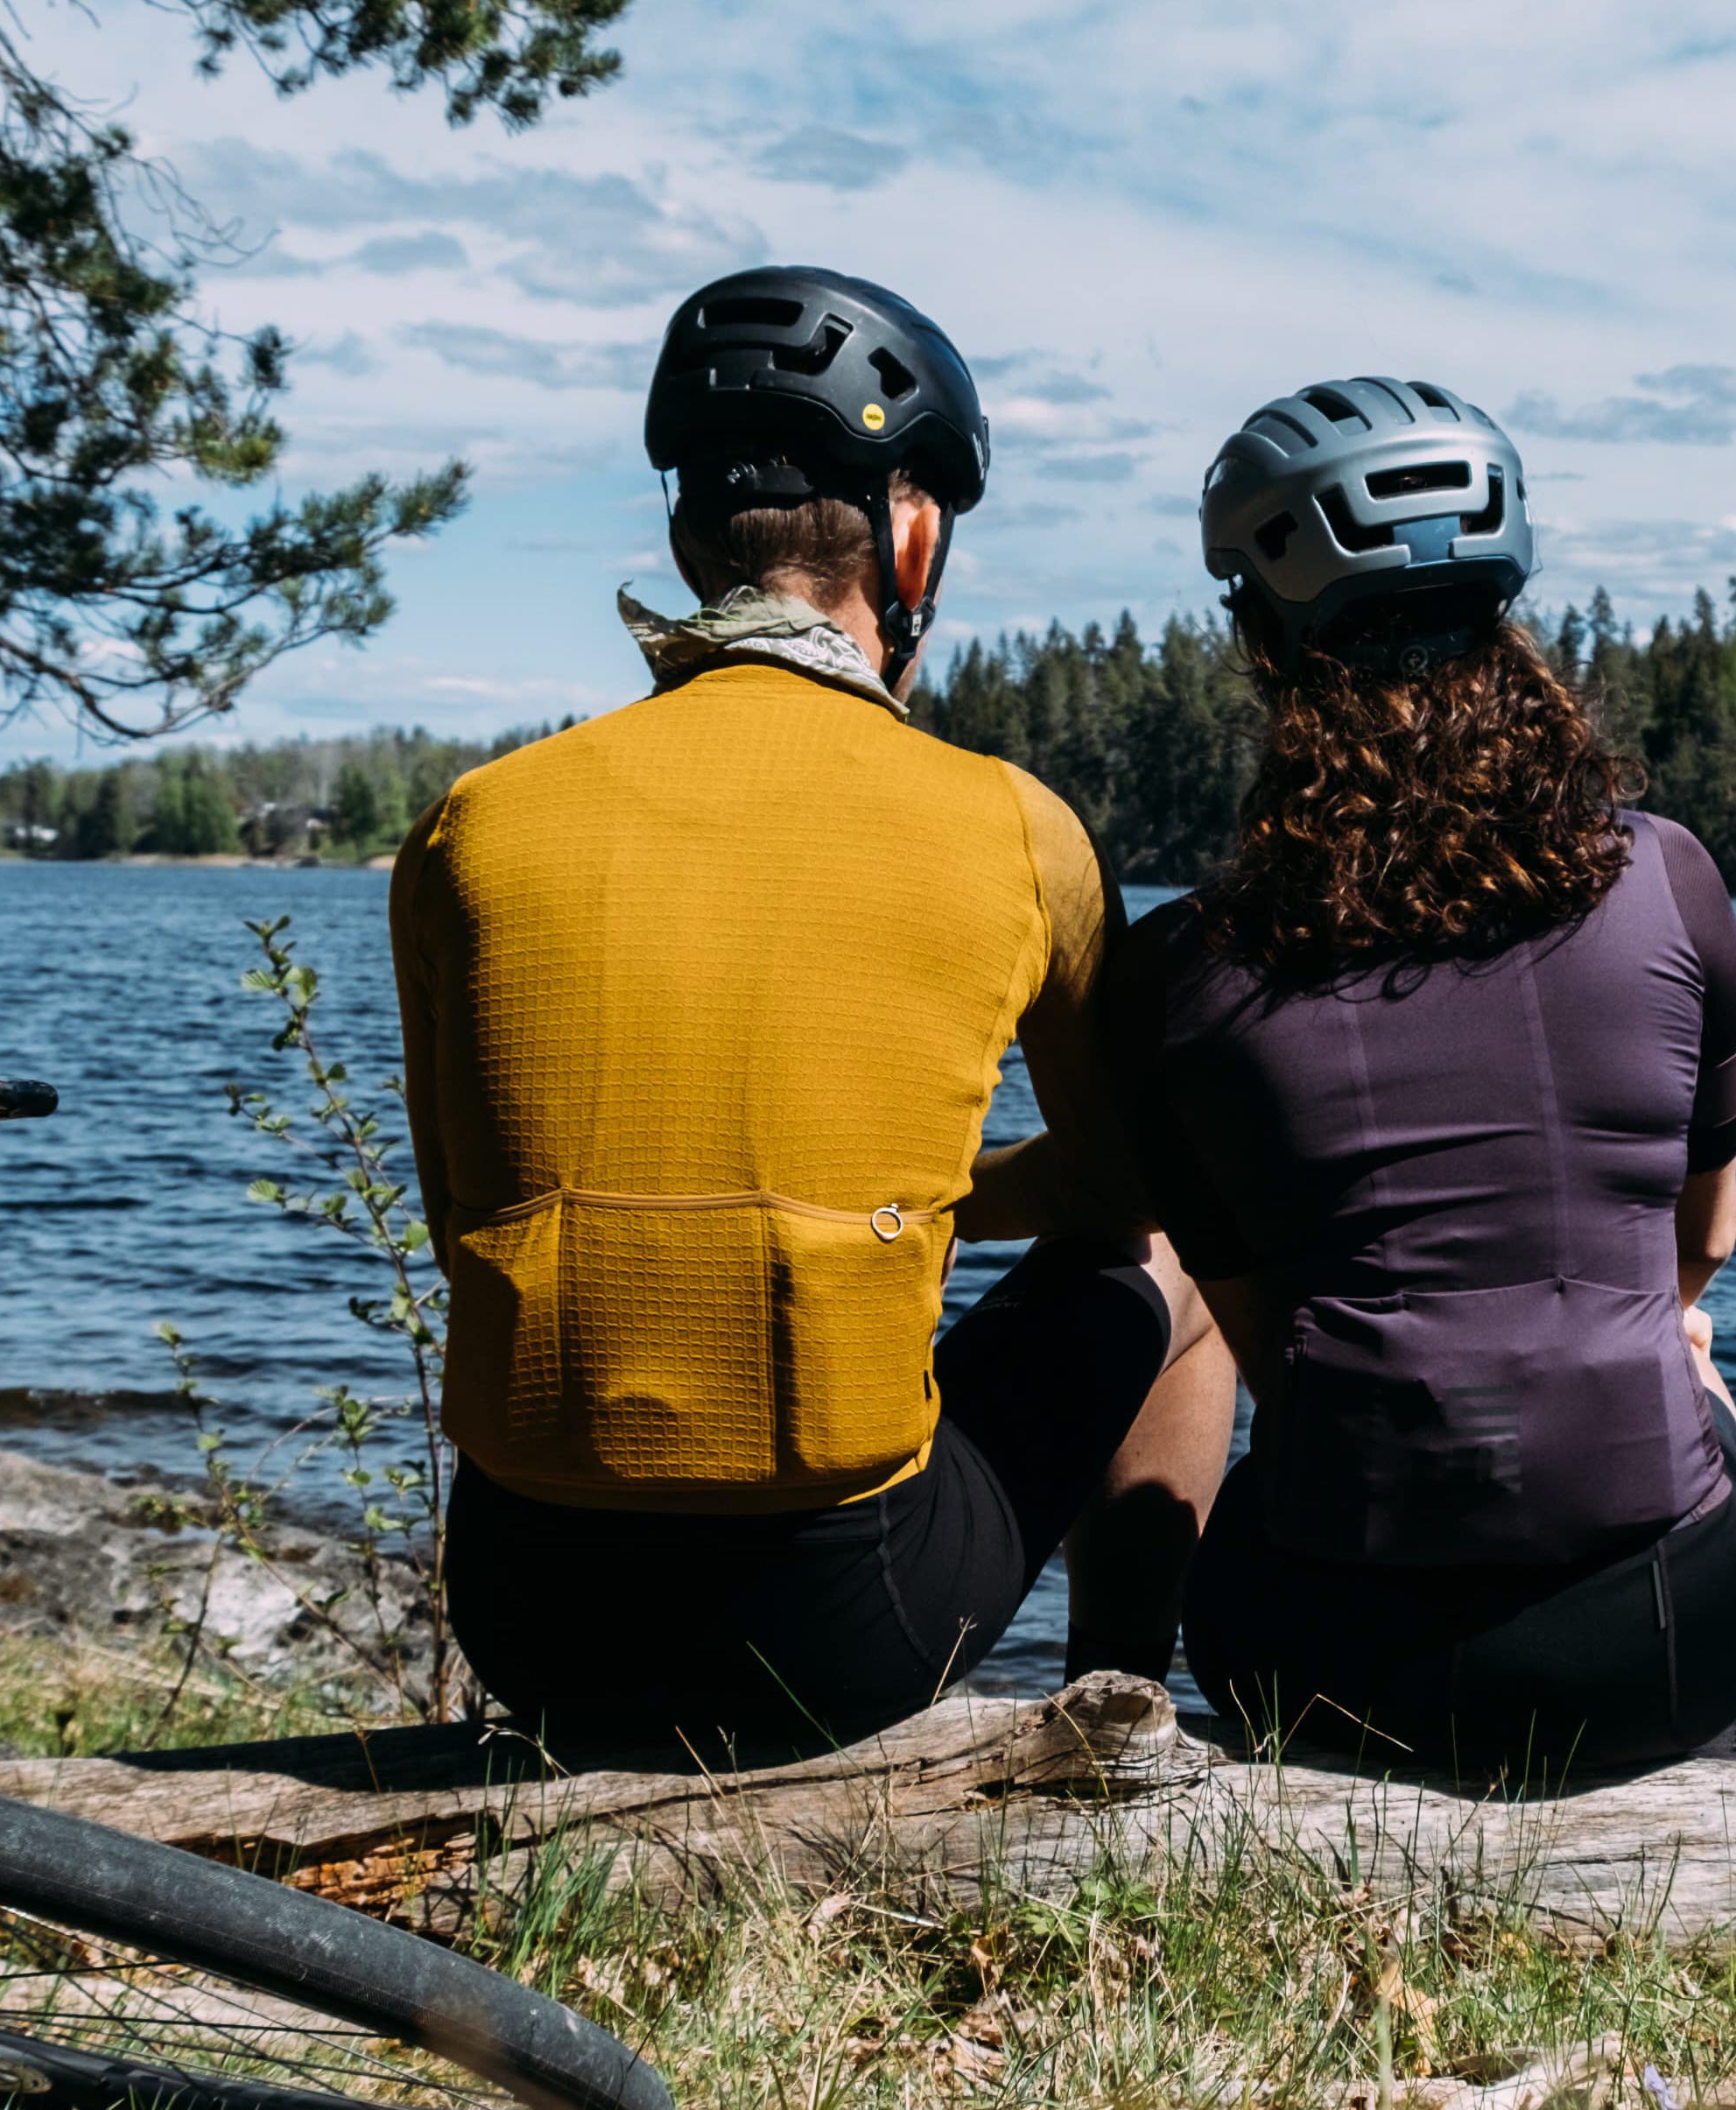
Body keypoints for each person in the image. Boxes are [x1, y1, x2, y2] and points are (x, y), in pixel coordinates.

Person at [388, 266, 1233, 1769]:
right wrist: (917, 1212)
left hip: (525, 1619)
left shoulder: (475, 822)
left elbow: (467, 1202)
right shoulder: (1013, 826)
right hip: (830, 1640)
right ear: (909, 533)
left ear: (685, 532)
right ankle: (1128, 1714)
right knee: (1175, 1272)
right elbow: (1120, 1194)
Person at [1101, 376, 1736, 1786]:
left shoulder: (1183, 966)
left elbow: (1263, 1339)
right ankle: (1717, 1824)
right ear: (1507, 607)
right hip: (1662, 1642)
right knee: (1690, 1379)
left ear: (1262, 637)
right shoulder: (1669, 876)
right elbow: (1698, 1247)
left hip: (1334, 1659)